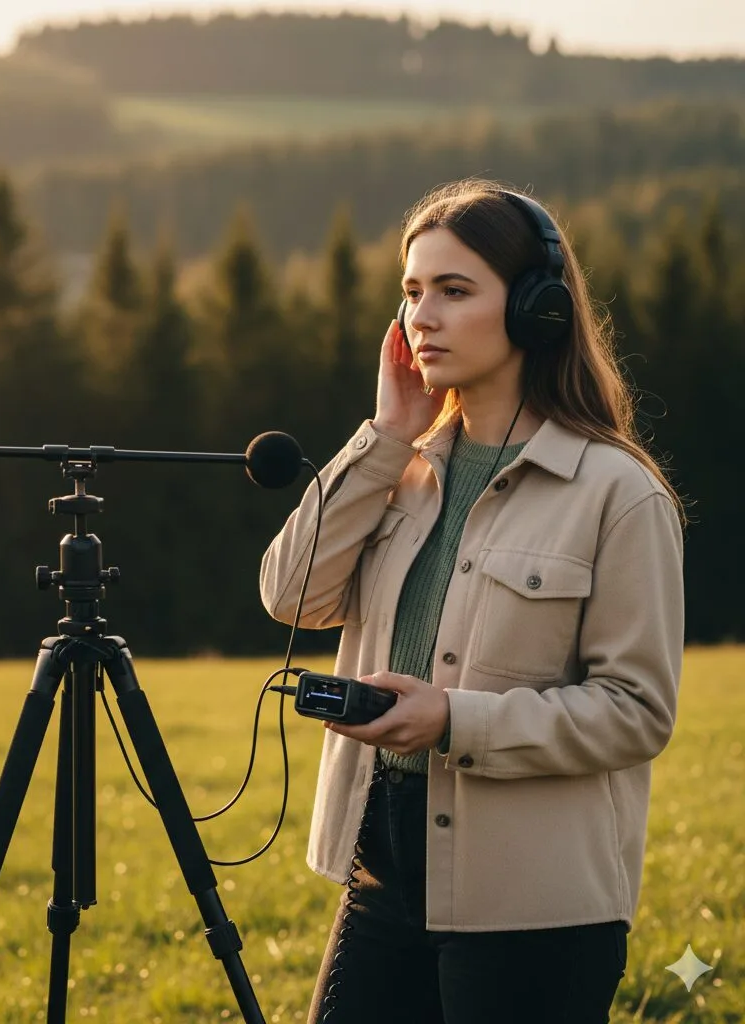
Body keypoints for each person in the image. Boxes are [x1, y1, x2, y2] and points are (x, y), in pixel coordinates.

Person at [259, 178, 685, 1023]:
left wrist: (455, 720)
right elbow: (290, 594)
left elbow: (638, 712)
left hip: (537, 909)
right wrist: (384, 436)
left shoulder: (618, 494)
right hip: (382, 872)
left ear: (537, 312)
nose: (424, 316)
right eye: (413, 291)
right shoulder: (401, 468)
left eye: (455, 291)